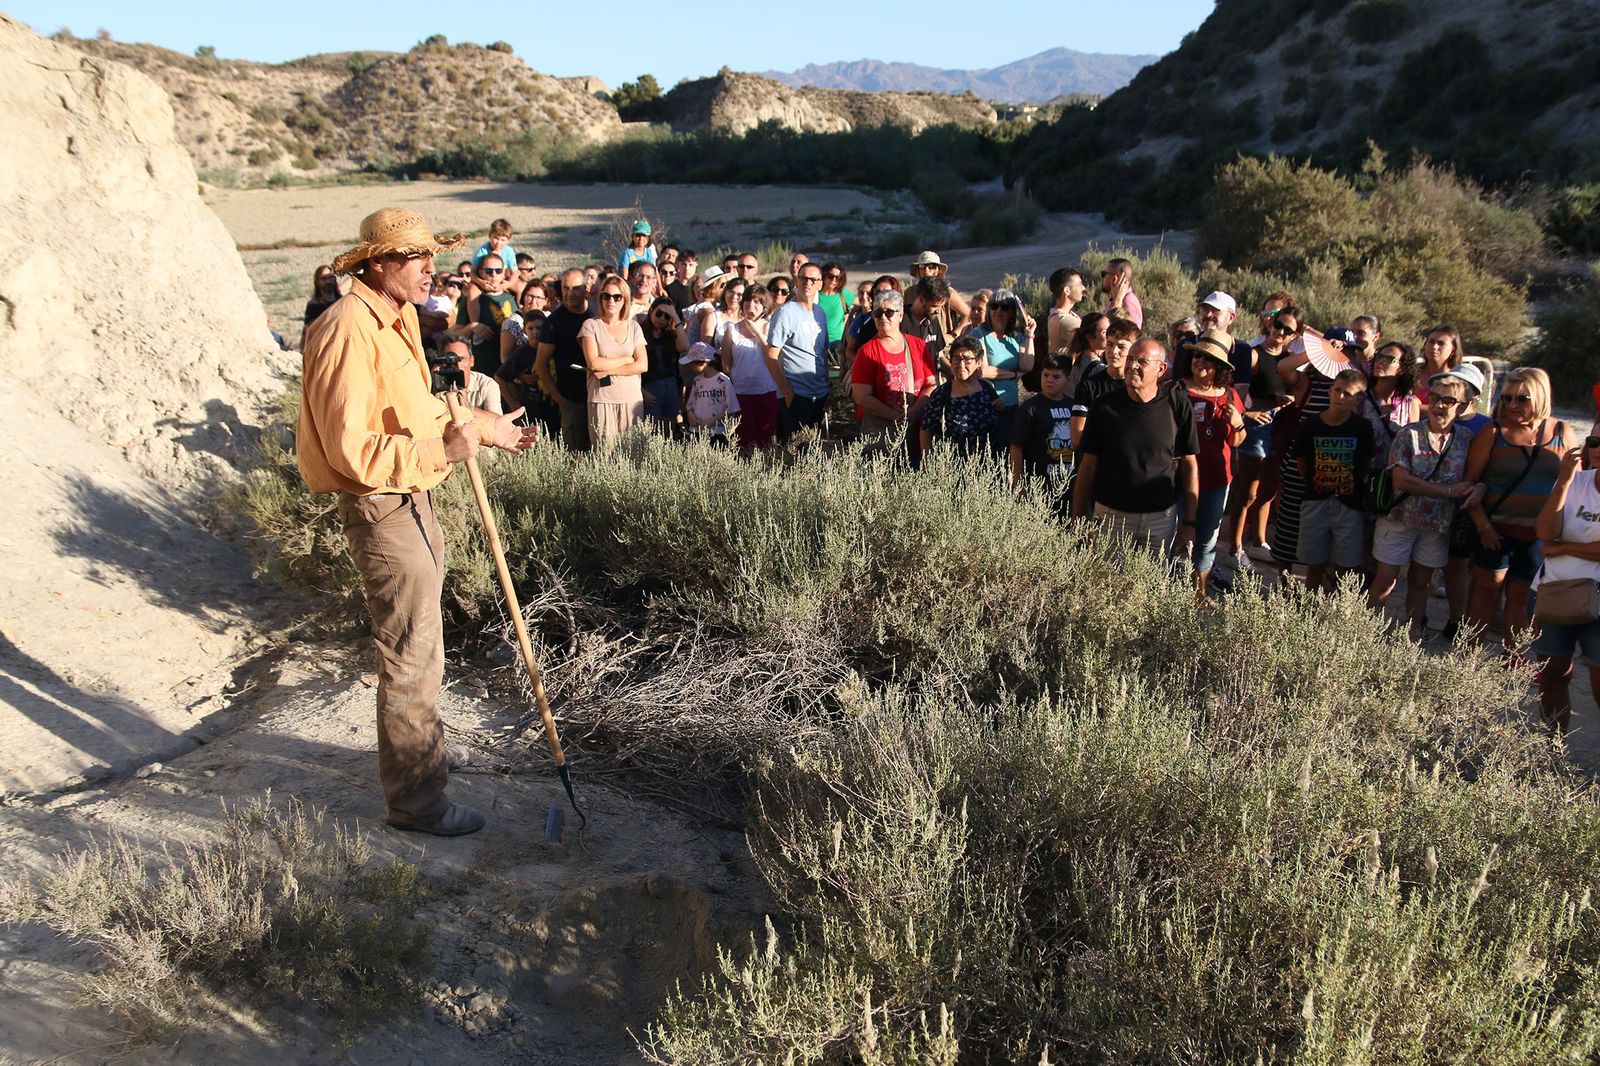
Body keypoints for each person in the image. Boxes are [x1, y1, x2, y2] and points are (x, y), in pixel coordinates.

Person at [298, 207, 537, 837]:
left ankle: (420, 778)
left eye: (431, 254)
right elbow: (352, 449)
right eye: (416, 257)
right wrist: (444, 451)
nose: (431, 267)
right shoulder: (347, 328)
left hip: (412, 496)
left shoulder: (395, 316)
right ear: (379, 264)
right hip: (382, 506)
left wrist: (485, 429)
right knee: (411, 656)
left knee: (423, 650)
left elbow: (412, 410)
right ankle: (416, 803)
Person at [1462, 367, 1571, 653]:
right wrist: (1483, 525)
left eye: (1522, 398)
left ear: (1540, 396)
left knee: (1521, 596)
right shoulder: (1492, 432)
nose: (1512, 405)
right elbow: (1469, 484)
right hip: (1495, 531)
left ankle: (1514, 661)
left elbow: (1575, 486)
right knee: (1486, 592)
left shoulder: (1562, 433)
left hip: (1539, 535)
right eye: (1507, 397)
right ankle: (1468, 661)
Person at [1366, 374, 1478, 635]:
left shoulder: (1465, 439)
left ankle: (1412, 631)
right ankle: (1365, 631)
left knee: (1421, 581)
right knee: (1386, 578)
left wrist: (1478, 487)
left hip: (1437, 522)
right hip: (1400, 517)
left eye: (1448, 401)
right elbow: (1402, 480)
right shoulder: (1409, 434)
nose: (1440, 406)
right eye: (1436, 398)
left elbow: (1475, 475)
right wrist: (1447, 491)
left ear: (1461, 406)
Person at [1072, 339, 1199, 556]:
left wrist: (1189, 522)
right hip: (1112, 517)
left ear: (1161, 369)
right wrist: (1079, 517)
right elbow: (1088, 465)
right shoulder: (1104, 406)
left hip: (1161, 519)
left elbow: (1189, 463)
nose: (1132, 366)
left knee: (1151, 586)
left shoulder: (1177, 404)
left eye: (1142, 361)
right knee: (1106, 586)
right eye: (1130, 359)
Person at [1531, 432, 1600, 734]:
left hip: (1597, 599)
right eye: (1594, 442)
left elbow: (1554, 544)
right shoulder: (1575, 482)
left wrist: (1564, 547)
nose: (1596, 450)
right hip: (1555, 592)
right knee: (1551, 676)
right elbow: (1545, 532)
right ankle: (1552, 756)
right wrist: (1563, 482)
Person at [1222, 303, 1298, 565]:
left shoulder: (1289, 361)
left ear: (1294, 336)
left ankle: (1259, 542)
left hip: (1280, 426)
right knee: (1248, 491)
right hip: (1257, 424)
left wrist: (1284, 399)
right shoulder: (1255, 355)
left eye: (1288, 330)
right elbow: (1232, 388)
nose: (1281, 332)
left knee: (1269, 490)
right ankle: (1235, 547)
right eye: (1278, 325)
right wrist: (1248, 413)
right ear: (1269, 325)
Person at [1180, 331, 1248, 596]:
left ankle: (1199, 593)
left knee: (1207, 540)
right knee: (1175, 536)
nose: (1200, 362)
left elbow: (1237, 441)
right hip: (1179, 478)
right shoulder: (1175, 389)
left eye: (1208, 359)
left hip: (1216, 479)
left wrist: (1237, 423)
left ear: (1219, 367)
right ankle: (1165, 592)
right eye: (1197, 355)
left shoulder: (1229, 396)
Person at [1294, 368, 1373, 593]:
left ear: (1357, 400)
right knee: (1314, 563)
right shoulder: (1310, 425)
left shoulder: (1363, 427)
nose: (1339, 397)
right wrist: (1316, 483)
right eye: (1337, 390)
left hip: (1350, 505)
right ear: (1330, 391)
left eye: (1347, 394)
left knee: (1345, 566)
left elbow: (1365, 462)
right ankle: (1309, 609)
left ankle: (1334, 614)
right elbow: (1301, 461)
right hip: (1315, 500)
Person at [1435, 363, 1493, 640]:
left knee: (1461, 565)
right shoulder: (1439, 415)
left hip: (1467, 505)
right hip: (1433, 503)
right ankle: (1456, 617)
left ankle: (1460, 620)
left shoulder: (1487, 426)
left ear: (1474, 394)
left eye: (1463, 385)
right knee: (1443, 564)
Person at [849, 290, 936, 448]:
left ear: (900, 316)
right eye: (878, 313)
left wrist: (914, 412)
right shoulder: (867, 352)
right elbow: (862, 397)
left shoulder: (918, 346)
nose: (883, 317)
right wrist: (897, 417)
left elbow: (931, 384)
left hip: (917, 431)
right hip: (881, 432)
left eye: (889, 312)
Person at [580, 276, 648, 448]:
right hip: (602, 399)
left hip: (631, 399)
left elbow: (642, 365)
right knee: (604, 454)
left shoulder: (634, 327)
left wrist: (608, 368)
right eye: (606, 296)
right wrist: (626, 359)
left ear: (624, 299)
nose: (611, 301)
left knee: (633, 454)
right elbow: (594, 364)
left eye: (617, 297)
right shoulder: (591, 325)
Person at [766, 262, 830, 441]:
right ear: (797, 280)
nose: (808, 283)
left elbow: (822, 350)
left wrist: (826, 381)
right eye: (803, 278)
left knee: (813, 450)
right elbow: (770, 357)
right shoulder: (785, 313)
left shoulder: (820, 313)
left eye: (813, 279)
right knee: (792, 451)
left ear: (820, 283)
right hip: (795, 394)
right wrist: (787, 391)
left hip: (818, 393)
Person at [534, 268, 594, 453]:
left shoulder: (595, 315)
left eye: (575, 288)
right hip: (571, 398)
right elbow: (541, 364)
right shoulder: (554, 322)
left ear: (587, 288)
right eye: (565, 288)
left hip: (598, 396)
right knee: (576, 453)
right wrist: (558, 398)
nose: (569, 293)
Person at [1010, 353, 1076, 514]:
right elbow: (1016, 447)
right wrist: (1018, 484)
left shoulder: (1073, 406)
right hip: (1039, 486)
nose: (1049, 380)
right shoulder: (1030, 408)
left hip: (1069, 486)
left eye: (1056, 376)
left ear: (1067, 379)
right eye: (1045, 375)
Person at [920, 335, 1003, 458]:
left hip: (990, 465)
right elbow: (926, 431)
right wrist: (927, 465)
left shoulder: (987, 388)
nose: (961, 365)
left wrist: (1000, 408)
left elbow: (997, 418)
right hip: (954, 468)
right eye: (956, 359)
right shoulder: (941, 394)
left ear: (978, 362)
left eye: (967, 359)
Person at [972, 288, 1036, 446]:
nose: (999, 311)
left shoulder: (1017, 336)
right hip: (988, 404)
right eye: (994, 306)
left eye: (1005, 306)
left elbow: (1027, 366)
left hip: (1011, 404)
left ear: (1012, 311)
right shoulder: (978, 335)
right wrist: (1013, 375)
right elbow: (982, 371)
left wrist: (1029, 336)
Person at [721, 285, 780, 454]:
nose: (751, 306)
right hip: (740, 393)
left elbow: (772, 354)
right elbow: (726, 362)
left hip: (766, 390)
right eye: (747, 301)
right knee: (742, 440)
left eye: (756, 302)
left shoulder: (770, 327)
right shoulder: (732, 329)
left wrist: (757, 332)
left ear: (764, 306)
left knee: (766, 440)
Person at [639, 295, 689, 433]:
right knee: (651, 431)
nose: (662, 318)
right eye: (659, 313)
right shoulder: (640, 331)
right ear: (651, 311)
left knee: (668, 431)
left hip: (670, 385)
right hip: (649, 386)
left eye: (666, 316)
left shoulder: (670, 334)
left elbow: (685, 347)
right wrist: (641, 391)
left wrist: (675, 317)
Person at [464, 252, 515, 377]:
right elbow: (455, 332)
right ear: (480, 273)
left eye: (498, 270)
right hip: (483, 367)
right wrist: (472, 326)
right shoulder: (473, 299)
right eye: (488, 271)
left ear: (504, 272)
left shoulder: (512, 296)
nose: (493, 275)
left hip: (509, 367)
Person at [682, 343, 739, 446]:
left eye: (692, 363)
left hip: (717, 431)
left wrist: (712, 420)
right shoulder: (697, 380)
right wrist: (690, 415)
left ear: (704, 362)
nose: (690, 367)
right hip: (696, 430)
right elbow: (690, 405)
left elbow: (731, 408)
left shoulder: (723, 381)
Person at [902, 276, 953, 370]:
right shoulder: (900, 320)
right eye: (934, 306)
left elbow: (939, 353)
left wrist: (953, 372)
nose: (938, 311)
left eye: (941, 307)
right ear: (921, 300)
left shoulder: (932, 319)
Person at [816, 262, 855, 371]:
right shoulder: (814, 295)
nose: (834, 280)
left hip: (837, 343)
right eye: (830, 276)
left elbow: (865, 303)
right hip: (816, 343)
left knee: (837, 376)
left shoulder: (843, 294)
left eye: (837, 278)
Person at [1065, 313, 1112, 394]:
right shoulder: (1098, 368)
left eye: (1110, 330)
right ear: (1090, 337)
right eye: (1104, 332)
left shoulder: (1078, 358)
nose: (1110, 335)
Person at [1046, 267, 1086, 354]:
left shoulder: (1064, 315)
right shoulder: (1063, 320)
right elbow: (1095, 338)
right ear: (1067, 290)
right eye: (1079, 284)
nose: (1083, 288)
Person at [301, 265, 341, 348]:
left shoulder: (342, 302)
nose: (328, 281)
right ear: (318, 282)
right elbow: (309, 330)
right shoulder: (313, 305)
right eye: (324, 279)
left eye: (330, 277)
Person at [1100, 257, 1143, 327]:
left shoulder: (1127, 302)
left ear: (1114, 278)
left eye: (1104, 274)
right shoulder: (1117, 299)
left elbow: (1131, 334)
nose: (1103, 278)